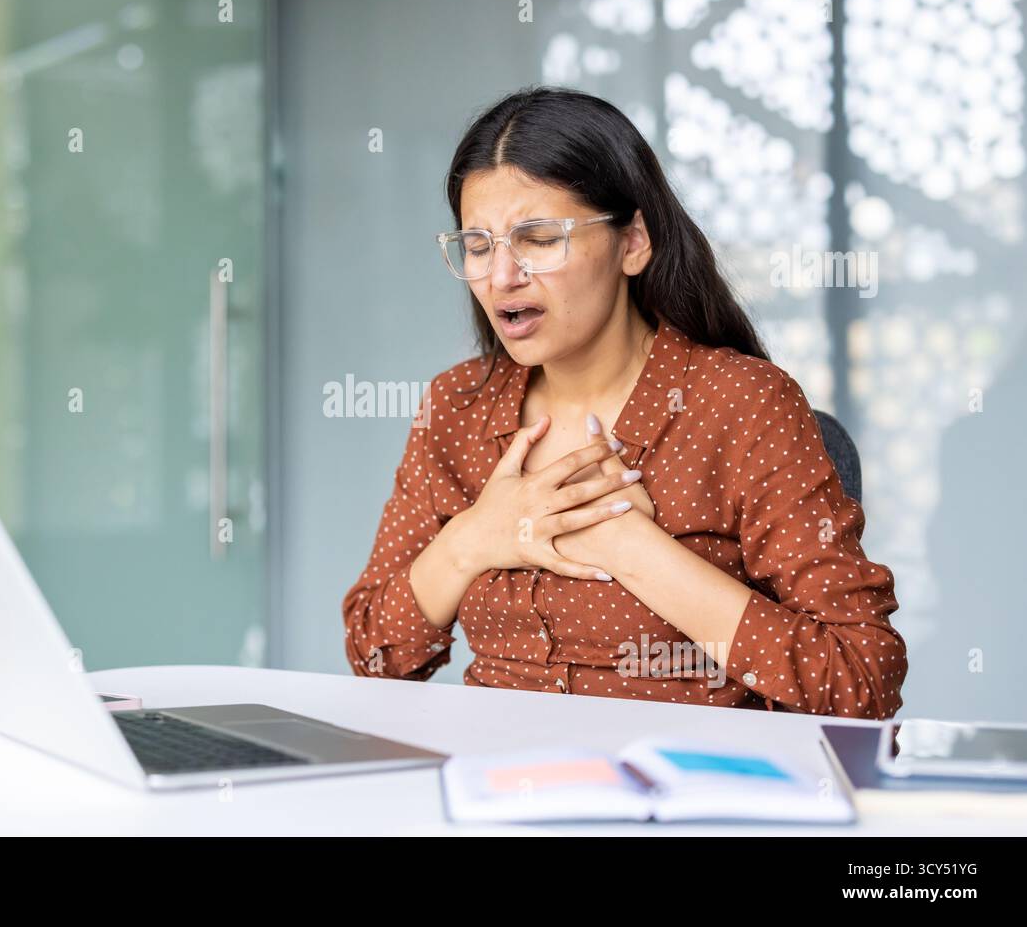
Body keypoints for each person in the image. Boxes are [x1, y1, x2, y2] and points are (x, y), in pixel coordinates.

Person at [341, 86, 906, 718]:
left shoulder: (743, 404)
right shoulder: (456, 408)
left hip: (686, 798)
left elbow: (860, 681)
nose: (500, 277)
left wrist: (627, 547)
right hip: (499, 792)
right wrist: (474, 539)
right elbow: (373, 657)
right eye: (477, 246)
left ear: (633, 241)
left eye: (538, 238)